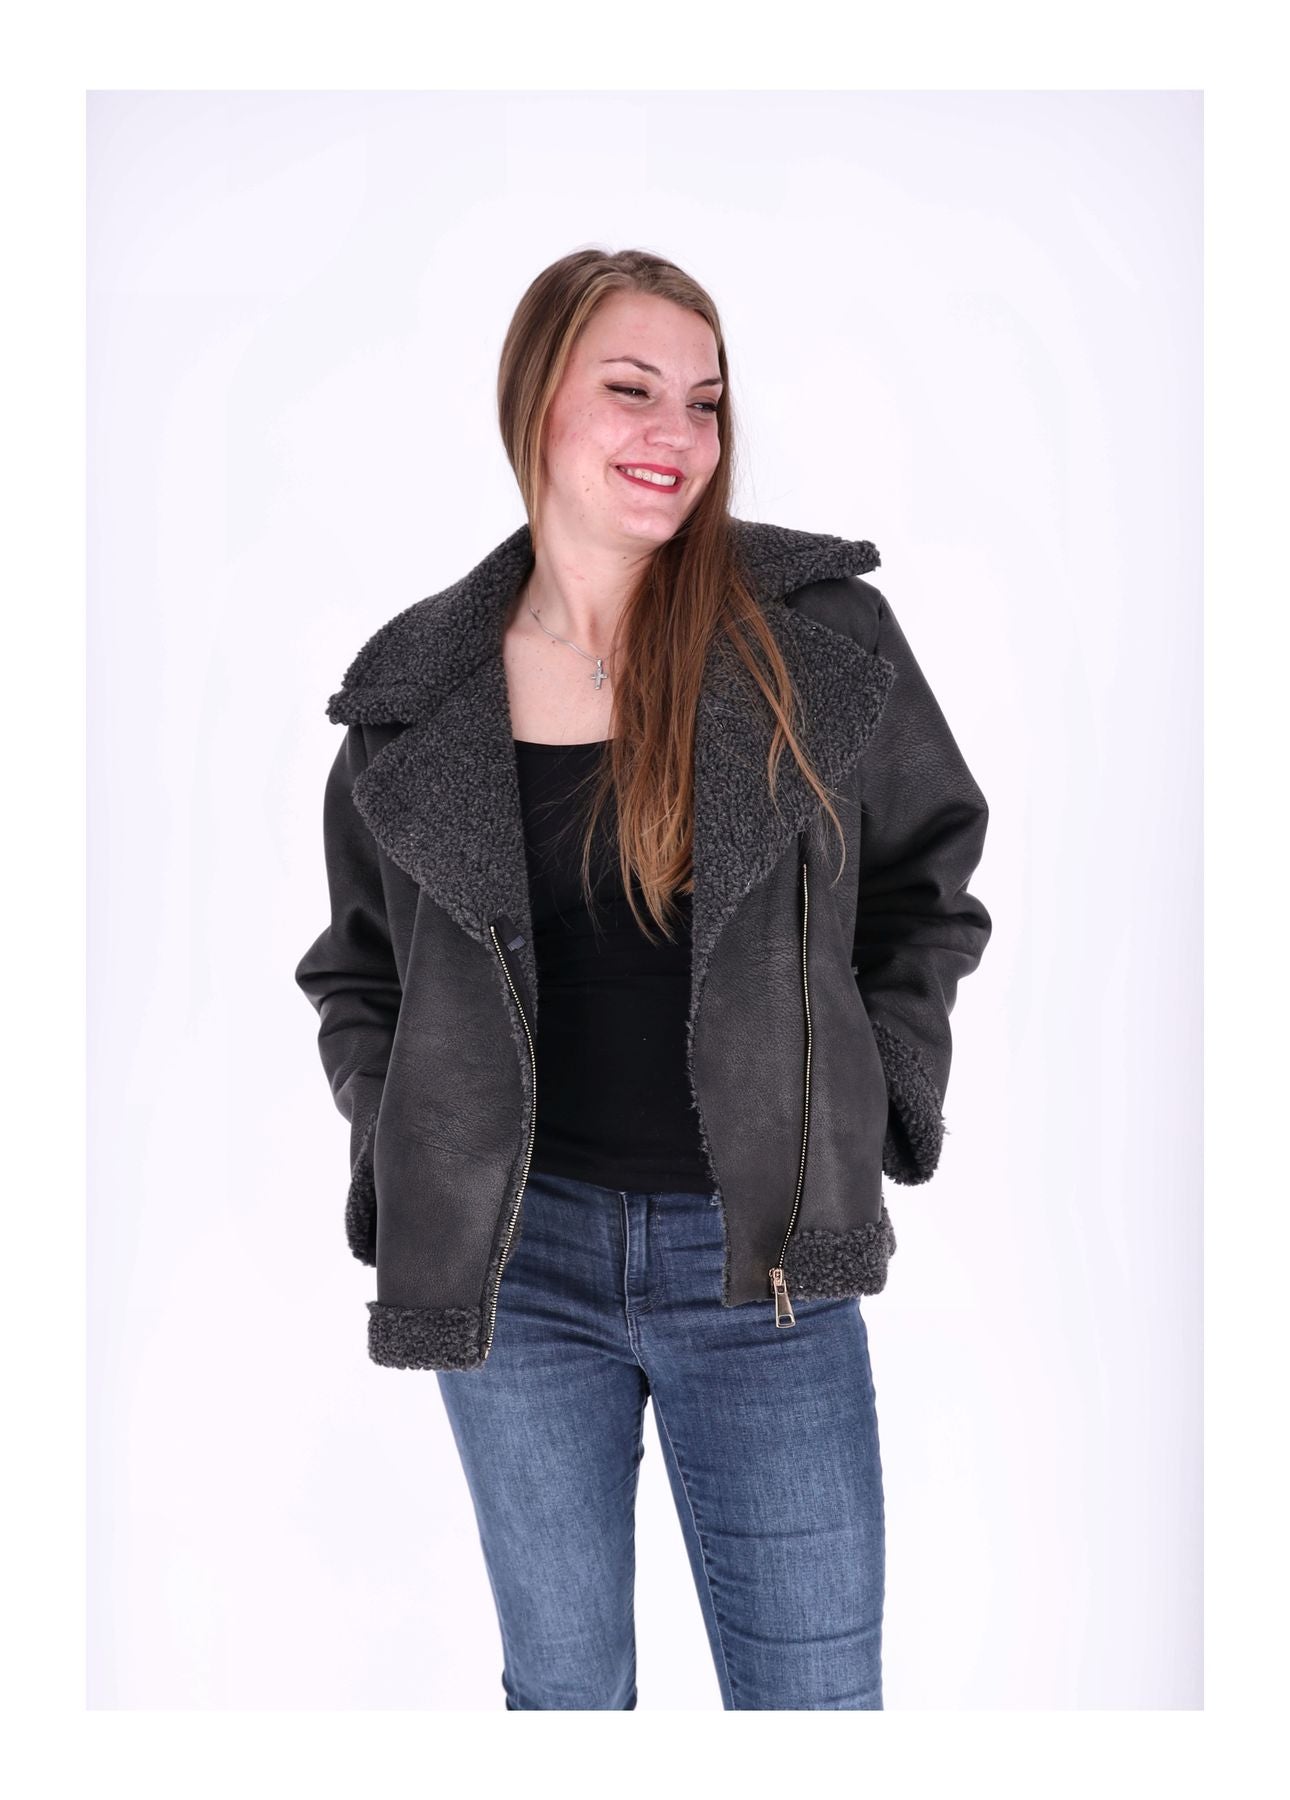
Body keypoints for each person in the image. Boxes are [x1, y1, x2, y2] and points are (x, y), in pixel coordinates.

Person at [294, 247, 993, 1710]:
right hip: (517, 1268)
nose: (677, 433)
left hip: (765, 1265)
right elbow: (360, 970)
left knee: (815, 1706)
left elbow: (927, 881)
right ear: (534, 401)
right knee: (564, 1702)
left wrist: (865, 1093)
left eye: (706, 401)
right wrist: (402, 1137)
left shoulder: (813, 638)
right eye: (631, 390)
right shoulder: (418, 692)